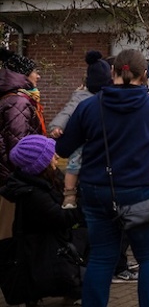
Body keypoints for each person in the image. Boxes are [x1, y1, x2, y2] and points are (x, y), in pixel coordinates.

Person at [55, 48, 149, 307]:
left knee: (101, 257)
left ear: (113, 72)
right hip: (139, 190)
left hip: (97, 189)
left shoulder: (89, 106)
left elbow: (63, 149)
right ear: (144, 75)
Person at [0, 135, 84, 306]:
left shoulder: (41, 181)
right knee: (86, 236)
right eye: (52, 154)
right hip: (44, 249)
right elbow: (61, 218)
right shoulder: (33, 194)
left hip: (41, 245)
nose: (57, 157)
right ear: (40, 164)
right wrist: (83, 203)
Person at [47, 50, 113, 209]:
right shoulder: (80, 97)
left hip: (97, 144)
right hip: (83, 140)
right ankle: (69, 194)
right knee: (74, 165)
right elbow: (67, 112)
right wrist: (57, 126)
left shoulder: (108, 96)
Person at [0, 48, 44, 242]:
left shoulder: (11, 97)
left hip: (7, 175)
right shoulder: (18, 101)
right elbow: (19, 144)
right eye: (35, 71)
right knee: (8, 230)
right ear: (24, 75)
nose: (38, 76)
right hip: (11, 178)